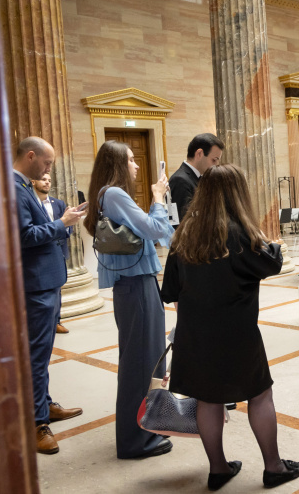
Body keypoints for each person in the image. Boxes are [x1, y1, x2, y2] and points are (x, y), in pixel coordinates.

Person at [160, 164, 299, 491]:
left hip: (194, 334)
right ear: (236, 194)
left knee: (207, 400)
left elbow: (169, 291)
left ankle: (218, 470)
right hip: (235, 333)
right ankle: (274, 467)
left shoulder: (185, 232)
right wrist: (276, 246)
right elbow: (271, 262)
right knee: (259, 395)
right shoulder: (237, 233)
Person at [83, 140, 175, 459]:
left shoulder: (106, 194)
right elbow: (152, 229)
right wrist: (158, 197)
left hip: (134, 284)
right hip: (136, 285)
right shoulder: (114, 194)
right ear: (118, 165)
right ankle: (135, 441)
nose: (136, 165)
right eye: (131, 160)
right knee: (141, 364)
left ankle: (144, 430)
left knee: (146, 360)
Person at [12, 137, 85, 454]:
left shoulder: (24, 185)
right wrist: (61, 224)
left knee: (41, 354)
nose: (48, 169)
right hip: (36, 284)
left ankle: (45, 404)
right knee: (36, 356)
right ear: (31, 156)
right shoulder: (14, 187)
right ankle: (37, 421)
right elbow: (24, 236)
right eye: (47, 163)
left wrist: (60, 222)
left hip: (46, 281)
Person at [32, 173, 72, 334]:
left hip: (59, 249)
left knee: (58, 288)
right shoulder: (32, 203)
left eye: (49, 180)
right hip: (41, 252)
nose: (47, 183)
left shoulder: (59, 203)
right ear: (33, 181)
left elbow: (68, 227)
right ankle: (45, 322)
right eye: (43, 179)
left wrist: (68, 224)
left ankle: (57, 321)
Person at [169, 133, 224, 221]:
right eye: (214, 160)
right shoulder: (180, 180)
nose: (216, 165)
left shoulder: (199, 177)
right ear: (199, 154)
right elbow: (183, 221)